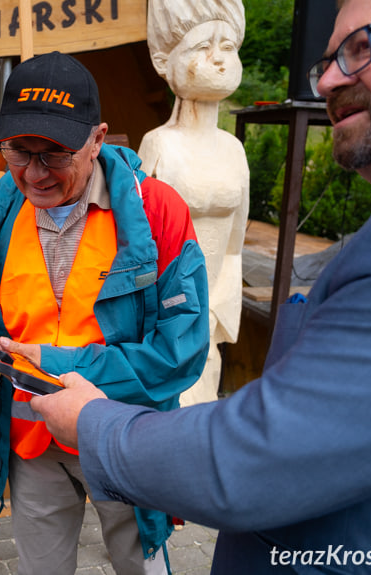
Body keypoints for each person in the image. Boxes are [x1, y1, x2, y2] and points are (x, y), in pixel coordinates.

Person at [30, 0, 371, 572]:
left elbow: (259, 454)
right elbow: (145, 251)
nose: (328, 78)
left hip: (211, 304)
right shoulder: (161, 148)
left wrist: (99, 426)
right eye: (328, 59)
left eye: (364, 45)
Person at [0, 51, 209, 574]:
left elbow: (181, 350)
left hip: (120, 430)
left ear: (98, 139)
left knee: (140, 563)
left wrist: (62, 367)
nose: (34, 174)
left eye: (54, 154)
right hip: (28, 440)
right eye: (18, 151)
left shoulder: (156, 213)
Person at [138, 0, 249, 406]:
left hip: (214, 308)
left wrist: (221, 308)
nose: (218, 59)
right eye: (202, 47)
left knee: (205, 395)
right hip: (165, 309)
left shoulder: (234, 149)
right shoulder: (159, 144)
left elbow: (236, 241)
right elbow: (139, 237)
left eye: (228, 47)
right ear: (165, 60)